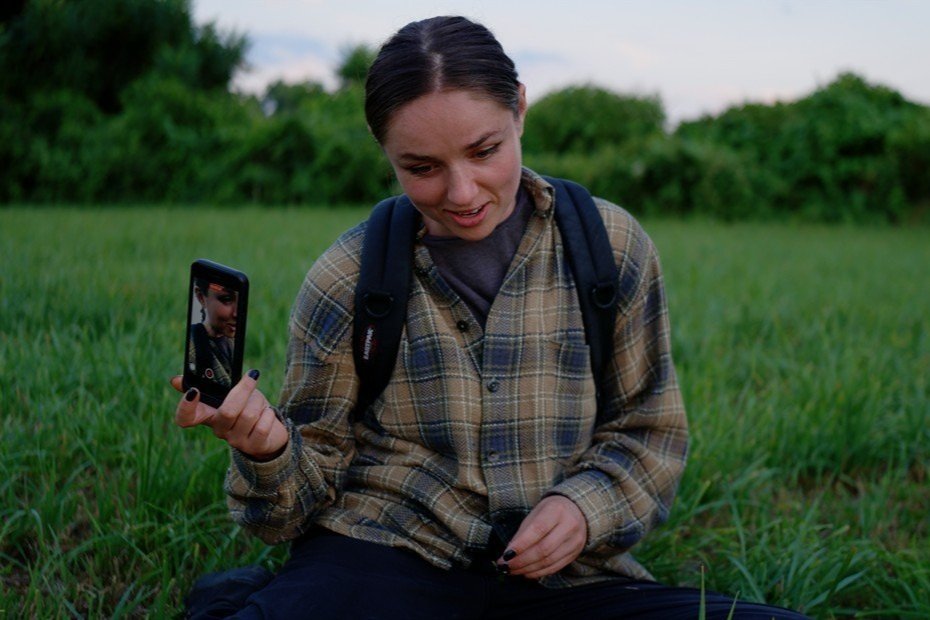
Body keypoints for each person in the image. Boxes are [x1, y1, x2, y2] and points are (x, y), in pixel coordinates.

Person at [171, 15, 809, 620]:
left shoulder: (611, 247)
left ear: (520, 109)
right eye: (421, 168)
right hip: (384, 555)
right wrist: (269, 448)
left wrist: (583, 509)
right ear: (385, 151)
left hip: (566, 581)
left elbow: (651, 432)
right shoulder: (346, 275)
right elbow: (291, 510)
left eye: (484, 150)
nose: (463, 192)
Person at [188, 279, 237, 387]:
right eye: (227, 299)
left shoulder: (234, 342)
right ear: (201, 297)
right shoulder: (193, 347)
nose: (236, 313)